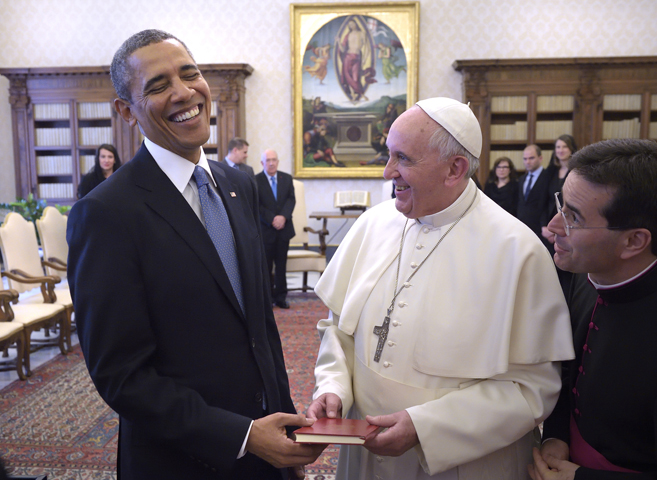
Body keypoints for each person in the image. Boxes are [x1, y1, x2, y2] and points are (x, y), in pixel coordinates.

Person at [66, 29, 323, 480]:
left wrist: (286, 432)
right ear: (126, 110)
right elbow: (122, 376)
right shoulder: (105, 213)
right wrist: (240, 437)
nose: (185, 92)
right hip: (182, 460)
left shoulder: (238, 185)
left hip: (268, 451)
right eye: (159, 85)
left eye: (190, 74)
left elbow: (261, 327)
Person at [307, 97, 575, 480]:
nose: (387, 172)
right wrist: (332, 388)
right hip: (365, 458)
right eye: (389, 155)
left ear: (455, 168)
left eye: (403, 159)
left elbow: (531, 388)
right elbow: (338, 329)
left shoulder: (517, 250)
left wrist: (425, 427)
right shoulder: (372, 225)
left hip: (463, 464)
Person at [529, 139, 657, 480]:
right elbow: (570, 364)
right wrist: (556, 433)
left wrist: (579, 478)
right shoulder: (588, 274)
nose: (554, 226)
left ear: (633, 241)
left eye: (573, 217)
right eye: (562, 205)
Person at [255, 150, 296, 310]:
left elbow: (291, 200)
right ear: (262, 163)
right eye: (268, 160)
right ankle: (268, 298)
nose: (271, 163)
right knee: (266, 266)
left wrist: (283, 217)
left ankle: (281, 297)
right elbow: (257, 204)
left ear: (278, 162)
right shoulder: (255, 180)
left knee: (281, 265)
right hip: (266, 229)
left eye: (274, 160)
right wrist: (272, 219)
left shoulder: (286, 178)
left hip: (284, 229)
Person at [541, 134, 578, 294]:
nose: (561, 150)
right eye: (558, 147)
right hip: (549, 229)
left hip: (569, 228)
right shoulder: (551, 172)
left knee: (567, 276)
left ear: (571, 149)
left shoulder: (577, 171)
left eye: (564, 146)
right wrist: (544, 226)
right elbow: (543, 201)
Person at [336, 19, 376, 102]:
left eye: (352, 24)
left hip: (357, 57)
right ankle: (353, 95)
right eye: (350, 25)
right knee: (348, 76)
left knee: (355, 77)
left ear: (356, 24)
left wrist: (364, 59)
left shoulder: (362, 33)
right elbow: (343, 50)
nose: (351, 26)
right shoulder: (348, 35)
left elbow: (367, 48)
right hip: (347, 57)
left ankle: (361, 94)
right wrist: (339, 42)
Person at [517, 144, 551, 238]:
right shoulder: (521, 179)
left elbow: (549, 204)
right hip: (522, 229)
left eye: (531, 158)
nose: (527, 162)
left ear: (540, 158)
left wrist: (544, 224)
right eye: (525, 159)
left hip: (542, 231)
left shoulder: (548, 177)